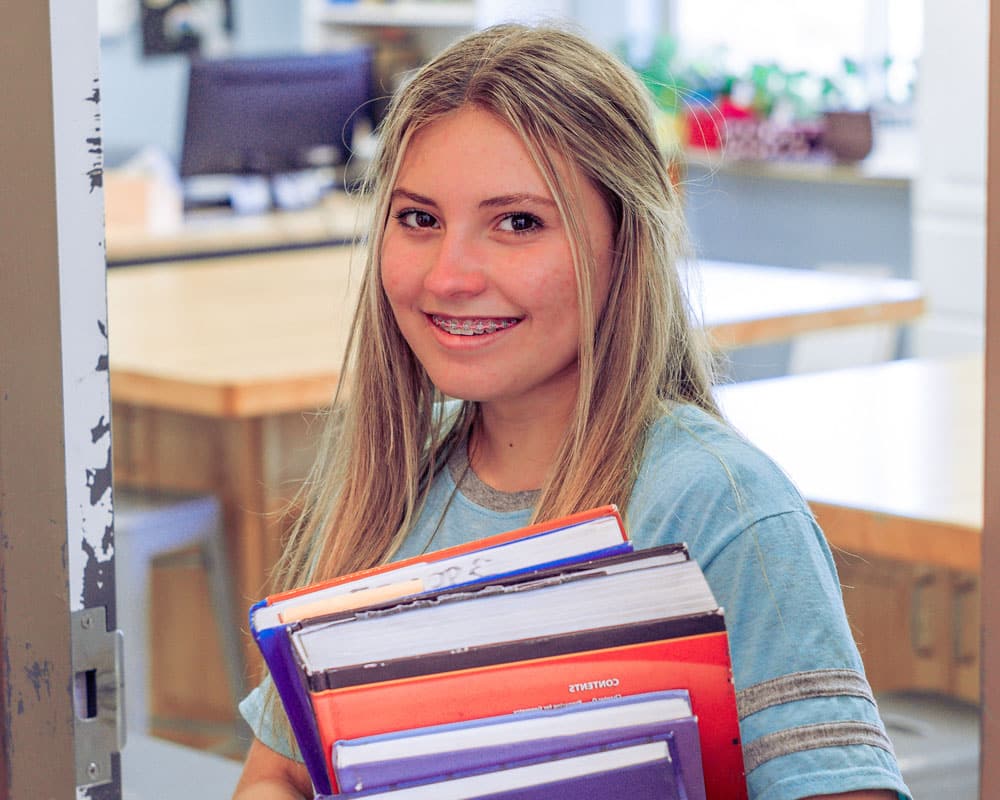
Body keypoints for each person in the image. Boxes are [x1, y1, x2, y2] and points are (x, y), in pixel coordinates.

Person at [233, 23, 910, 800]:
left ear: (626, 242)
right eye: (419, 218)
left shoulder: (720, 506)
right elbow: (276, 772)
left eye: (518, 222)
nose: (449, 276)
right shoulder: (380, 495)